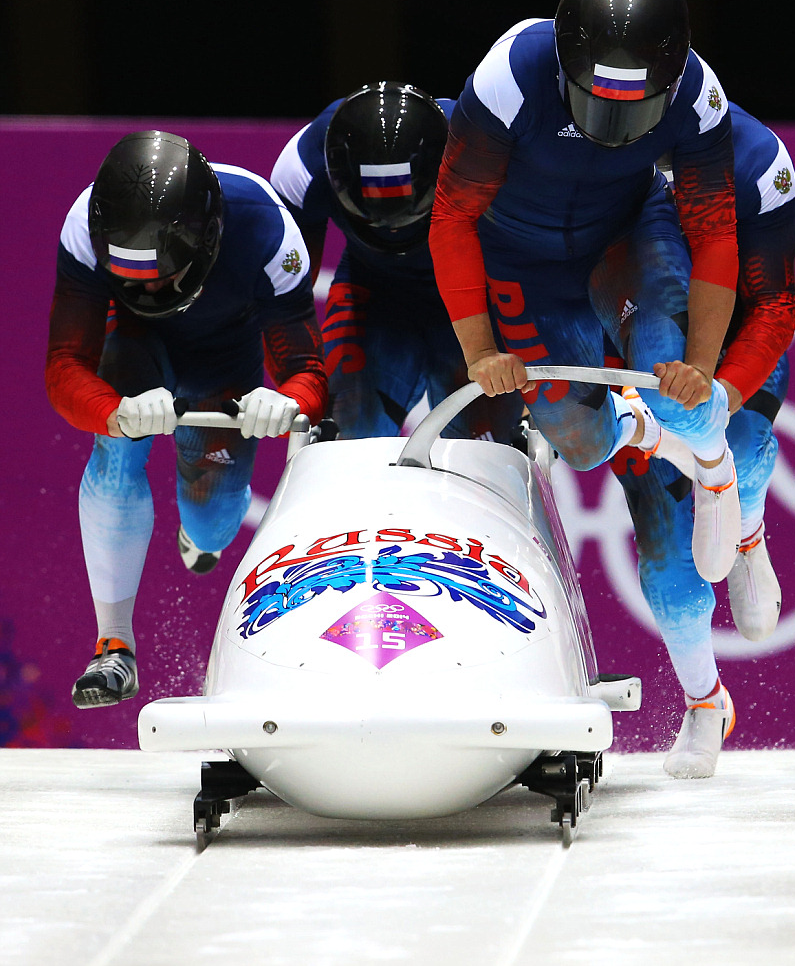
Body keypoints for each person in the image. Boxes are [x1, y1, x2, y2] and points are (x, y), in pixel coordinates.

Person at [428, 0, 742, 732]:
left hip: (627, 237)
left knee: (676, 376)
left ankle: (710, 454)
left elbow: (714, 231)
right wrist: (478, 353)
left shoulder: (700, 98)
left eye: (633, 110)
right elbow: (452, 219)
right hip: (524, 263)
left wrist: (702, 369)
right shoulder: (508, 77)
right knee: (583, 440)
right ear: (568, 62)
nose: (611, 130)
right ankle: (653, 433)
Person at [46, 130, 328, 709]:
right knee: (115, 447)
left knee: (211, 523)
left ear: (208, 241)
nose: (147, 287)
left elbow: (307, 370)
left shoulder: (269, 231)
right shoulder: (83, 223)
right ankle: (113, 646)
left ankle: (200, 534)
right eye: (128, 278)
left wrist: (289, 402)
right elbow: (64, 366)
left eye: (162, 274)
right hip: (136, 346)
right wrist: (115, 413)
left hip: (228, 365)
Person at [611, 102, 795, 776]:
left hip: (737, 323)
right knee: (670, 576)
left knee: (740, 446)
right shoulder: (596, 154)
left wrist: (727, 389)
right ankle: (705, 701)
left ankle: (745, 527)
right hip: (641, 321)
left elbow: (774, 304)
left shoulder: (759, 163)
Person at [270, 81, 521, 442]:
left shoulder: (483, 143)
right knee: (345, 442)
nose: (392, 227)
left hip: (474, 303)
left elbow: (538, 261)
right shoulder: (303, 166)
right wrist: (299, 385)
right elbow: (284, 301)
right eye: (376, 215)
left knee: (485, 450)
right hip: (375, 298)